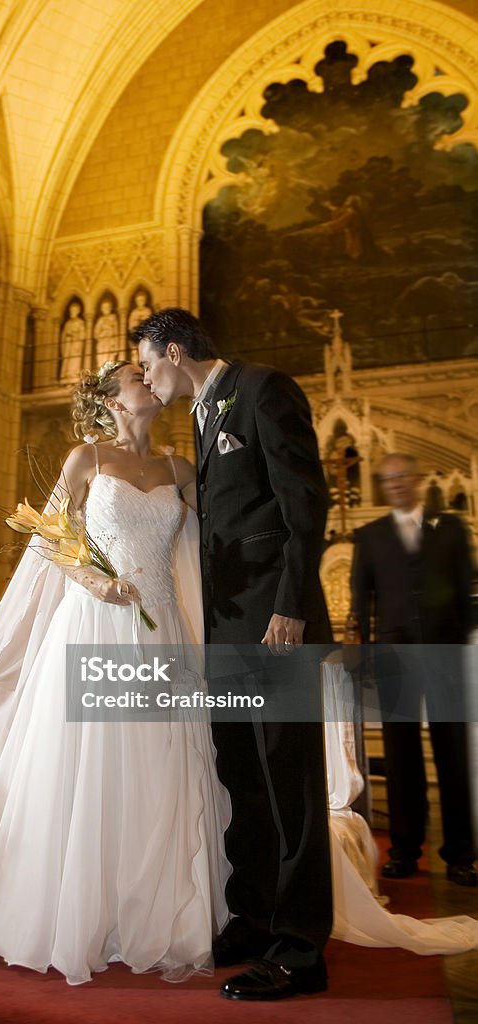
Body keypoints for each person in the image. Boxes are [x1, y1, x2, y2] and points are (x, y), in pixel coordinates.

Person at [0, 361, 231, 984]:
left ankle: (155, 907)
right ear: (111, 401)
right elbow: (55, 544)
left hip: (159, 628)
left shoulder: (179, 470)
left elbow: (219, 538)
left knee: (160, 761)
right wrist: (93, 578)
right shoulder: (85, 459)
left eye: (145, 371)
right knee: (92, 763)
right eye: (131, 376)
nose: (145, 378)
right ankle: (79, 910)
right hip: (95, 623)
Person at [134, 307, 333, 1001]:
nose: (146, 377)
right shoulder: (200, 415)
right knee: (241, 774)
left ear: (175, 349)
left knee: (288, 784)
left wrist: (291, 604)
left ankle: (300, 948)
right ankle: (252, 917)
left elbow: (303, 503)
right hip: (225, 630)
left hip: (276, 623)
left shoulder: (262, 389)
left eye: (148, 362)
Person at [350, 453, 476, 887]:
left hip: (445, 656)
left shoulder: (452, 528)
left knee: (452, 754)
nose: (397, 484)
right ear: (383, 486)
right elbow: (360, 602)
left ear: (417, 480)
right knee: (402, 757)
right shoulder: (369, 535)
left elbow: (466, 588)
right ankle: (404, 850)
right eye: (388, 479)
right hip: (394, 659)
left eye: (403, 476)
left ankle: (461, 854)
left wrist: (461, 643)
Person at [59, 300, 86, 381]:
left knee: (75, 360)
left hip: (75, 345)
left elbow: (83, 335)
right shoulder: (68, 323)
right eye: (71, 310)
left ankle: (74, 375)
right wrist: (67, 336)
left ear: (78, 311)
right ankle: (66, 375)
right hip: (68, 345)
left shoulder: (80, 322)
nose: (72, 312)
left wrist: (75, 335)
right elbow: (63, 335)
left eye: (74, 310)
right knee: (67, 360)